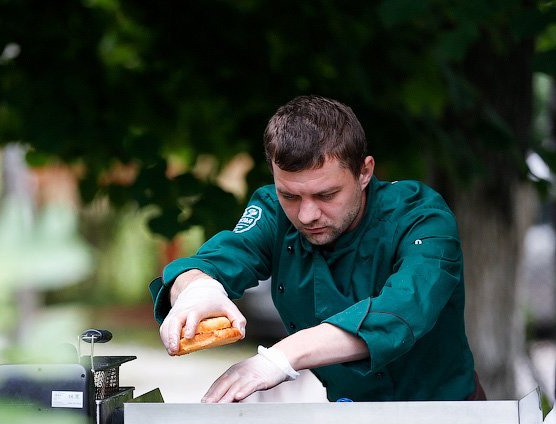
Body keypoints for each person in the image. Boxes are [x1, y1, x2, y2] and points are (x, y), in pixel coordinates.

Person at [150, 95, 485, 403]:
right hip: (350, 421)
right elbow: (214, 261)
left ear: (364, 172)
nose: (307, 215)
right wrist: (196, 287)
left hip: (449, 415)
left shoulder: (421, 216)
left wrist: (280, 358)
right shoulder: (272, 212)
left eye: (326, 195)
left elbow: (402, 310)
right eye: (291, 196)